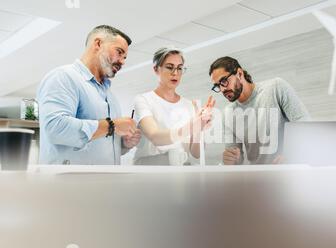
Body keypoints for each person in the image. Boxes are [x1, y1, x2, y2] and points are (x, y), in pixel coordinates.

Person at [37, 25, 141, 165]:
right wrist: (112, 126)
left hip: (106, 183)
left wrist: (124, 144)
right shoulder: (63, 77)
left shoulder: (111, 97)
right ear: (98, 44)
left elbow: (101, 144)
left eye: (125, 57)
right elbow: (55, 128)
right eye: (119, 52)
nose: (122, 61)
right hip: (68, 184)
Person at [209, 56, 310, 165]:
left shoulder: (276, 88)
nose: (223, 89)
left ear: (239, 73)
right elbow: (236, 160)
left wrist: (291, 155)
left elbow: (306, 127)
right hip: (258, 177)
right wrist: (231, 159)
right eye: (218, 86)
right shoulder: (228, 113)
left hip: (288, 173)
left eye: (224, 81)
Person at [133, 47, 215, 165]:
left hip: (179, 173)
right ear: (156, 69)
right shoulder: (143, 100)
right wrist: (192, 126)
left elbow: (196, 153)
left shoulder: (189, 105)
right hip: (150, 172)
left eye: (180, 68)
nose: (175, 73)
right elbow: (155, 137)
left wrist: (199, 128)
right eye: (170, 67)